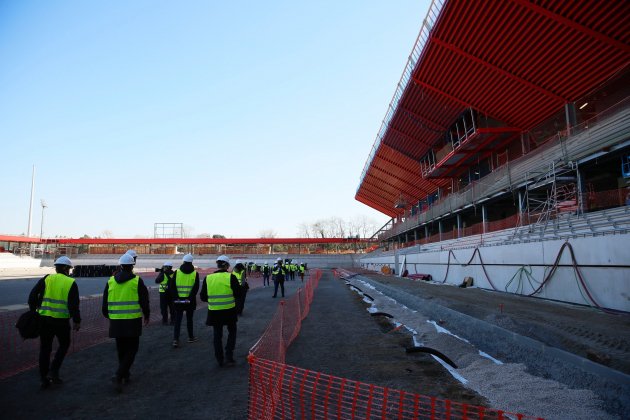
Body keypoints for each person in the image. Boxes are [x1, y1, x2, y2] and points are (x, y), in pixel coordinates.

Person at [28, 256, 81, 389]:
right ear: (64, 268)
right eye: (69, 268)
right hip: (61, 321)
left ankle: (43, 378)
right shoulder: (70, 282)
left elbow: (32, 297)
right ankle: (54, 370)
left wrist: (34, 312)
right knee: (64, 345)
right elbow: (74, 305)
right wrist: (76, 320)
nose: (69, 271)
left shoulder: (46, 279)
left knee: (45, 349)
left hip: (44, 320)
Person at [102, 253, 150, 393]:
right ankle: (118, 375)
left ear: (121, 266)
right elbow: (144, 301)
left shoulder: (110, 281)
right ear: (132, 266)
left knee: (121, 349)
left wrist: (109, 315)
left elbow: (105, 303)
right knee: (132, 349)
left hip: (116, 321)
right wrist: (146, 314)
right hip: (132, 321)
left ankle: (125, 374)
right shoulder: (137, 281)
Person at [200, 255, 242, 367]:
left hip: (214, 312)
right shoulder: (231, 277)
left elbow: (203, 297)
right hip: (229, 311)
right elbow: (238, 293)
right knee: (232, 332)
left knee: (217, 336)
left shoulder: (208, 278)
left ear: (217, 265)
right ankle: (229, 356)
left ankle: (220, 359)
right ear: (227, 265)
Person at [168, 253, 199, 348]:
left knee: (178, 320)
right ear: (191, 262)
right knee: (189, 319)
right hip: (190, 301)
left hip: (178, 301)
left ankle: (176, 340)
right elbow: (196, 288)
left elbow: (172, 287)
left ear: (183, 261)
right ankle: (190, 337)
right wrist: (189, 298)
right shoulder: (195, 273)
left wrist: (176, 297)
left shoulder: (177, 272)